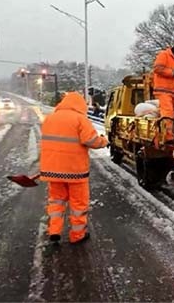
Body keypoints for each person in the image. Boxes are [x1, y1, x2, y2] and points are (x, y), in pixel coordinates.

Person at [39, 91, 108, 244]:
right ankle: (77, 235)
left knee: (56, 202)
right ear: (80, 105)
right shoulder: (80, 119)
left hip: (53, 170)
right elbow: (91, 140)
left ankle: (54, 231)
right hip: (75, 171)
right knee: (78, 204)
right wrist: (103, 141)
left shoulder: (49, 119)